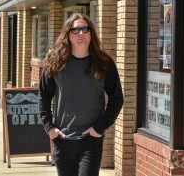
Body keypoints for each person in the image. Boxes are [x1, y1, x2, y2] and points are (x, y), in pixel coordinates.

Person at [39, 13, 123, 176]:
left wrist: (99, 128)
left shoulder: (104, 62)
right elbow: (44, 96)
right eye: (75, 30)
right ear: (67, 34)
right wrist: (50, 128)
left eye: (85, 29)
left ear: (91, 33)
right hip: (63, 139)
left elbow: (117, 99)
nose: (81, 34)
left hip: (91, 140)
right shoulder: (55, 61)